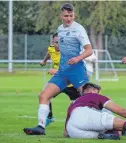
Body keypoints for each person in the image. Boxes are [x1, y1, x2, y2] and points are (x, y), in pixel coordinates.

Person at [23, 3, 93, 135]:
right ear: (61, 16)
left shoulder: (79, 29)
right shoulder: (60, 29)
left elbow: (89, 51)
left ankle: (106, 125)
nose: (69, 18)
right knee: (43, 95)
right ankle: (41, 127)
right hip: (62, 71)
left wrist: (77, 58)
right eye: (66, 16)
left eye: (71, 16)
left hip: (76, 70)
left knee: (90, 99)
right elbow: (62, 48)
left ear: (74, 15)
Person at [40, 33, 81, 126]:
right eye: (56, 42)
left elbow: (72, 67)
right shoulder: (51, 48)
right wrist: (44, 61)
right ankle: (49, 117)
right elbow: (49, 53)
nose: (58, 45)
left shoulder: (69, 52)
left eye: (61, 42)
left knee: (80, 102)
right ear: (53, 42)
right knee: (45, 95)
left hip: (70, 83)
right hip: (57, 82)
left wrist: (56, 71)